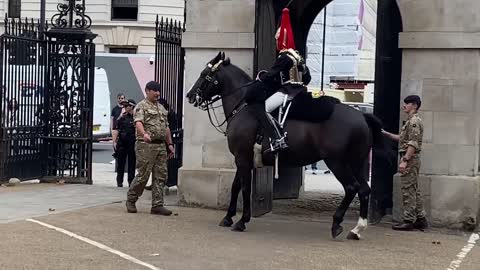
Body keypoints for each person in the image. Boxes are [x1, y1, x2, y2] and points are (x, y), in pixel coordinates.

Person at [253, 8, 311, 153]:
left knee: (263, 109)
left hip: (287, 91)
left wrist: (260, 77)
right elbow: (307, 78)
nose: (276, 42)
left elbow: (272, 74)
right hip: (300, 91)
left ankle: (277, 139)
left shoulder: (284, 57)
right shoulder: (298, 57)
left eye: (277, 39)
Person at [126, 81, 175, 216]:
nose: (158, 94)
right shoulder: (141, 106)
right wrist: (144, 134)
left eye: (159, 91)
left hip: (160, 146)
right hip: (145, 145)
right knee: (143, 175)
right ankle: (131, 199)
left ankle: (157, 205)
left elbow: (166, 128)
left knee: (161, 176)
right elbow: (138, 122)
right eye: (155, 91)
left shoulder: (161, 108)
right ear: (147, 91)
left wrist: (170, 144)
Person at [382, 95, 428, 231]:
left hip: (410, 159)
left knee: (408, 190)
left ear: (414, 105)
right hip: (411, 159)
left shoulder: (414, 122)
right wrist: (386, 134)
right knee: (414, 190)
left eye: (407, 104)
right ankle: (421, 219)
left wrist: (405, 160)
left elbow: (413, 143)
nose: (404, 106)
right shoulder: (411, 121)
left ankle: (408, 220)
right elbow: (402, 139)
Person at [113, 99, 137, 187]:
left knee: (132, 163)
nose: (125, 107)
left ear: (132, 107)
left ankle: (131, 181)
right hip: (122, 143)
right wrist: (114, 141)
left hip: (132, 142)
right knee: (121, 163)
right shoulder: (122, 117)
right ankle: (119, 181)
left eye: (127, 106)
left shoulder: (136, 118)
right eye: (124, 106)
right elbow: (116, 129)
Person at [111, 93, 126, 171]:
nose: (121, 99)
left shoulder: (125, 109)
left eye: (122, 98)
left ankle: (119, 160)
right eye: (120, 98)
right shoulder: (114, 109)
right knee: (114, 144)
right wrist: (112, 129)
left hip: (122, 128)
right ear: (117, 99)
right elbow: (112, 119)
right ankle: (116, 158)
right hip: (115, 128)